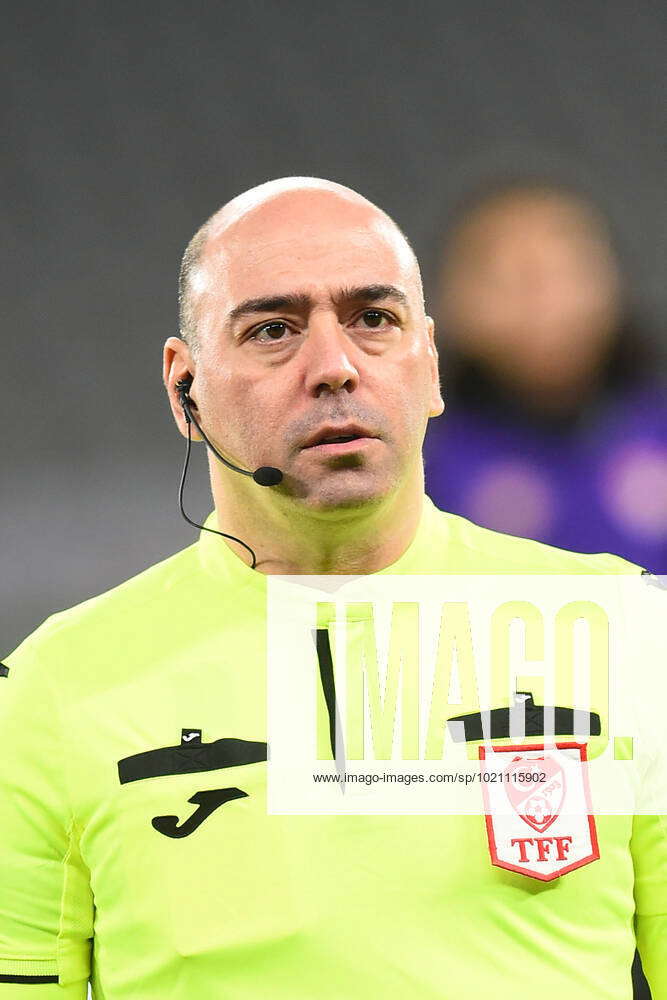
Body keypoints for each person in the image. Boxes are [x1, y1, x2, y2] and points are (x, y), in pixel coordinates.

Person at [1, 177, 664, 1000]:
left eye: (372, 321)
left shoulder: (628, 636)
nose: (334, 367)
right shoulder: (54, 689)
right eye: (273, 330)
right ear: (185, 387)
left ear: (427, 361)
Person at [423, 178, 667, 572]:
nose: (543, 304)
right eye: (509, 280)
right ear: (450, 301)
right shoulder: (418, 472)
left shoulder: (658, 430)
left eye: (565, 271)